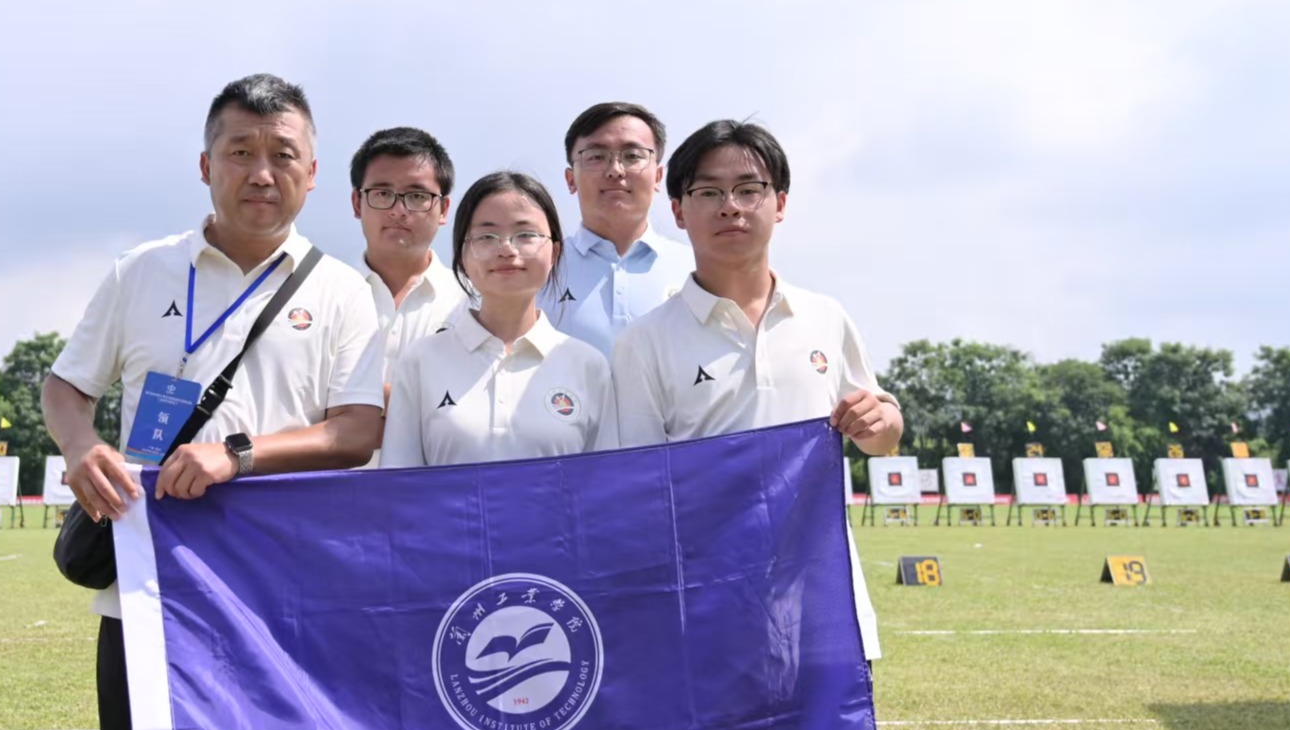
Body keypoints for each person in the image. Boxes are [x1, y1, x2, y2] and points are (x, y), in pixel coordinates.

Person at [42, 73, 385, 730]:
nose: (261, 172)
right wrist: (82, 446)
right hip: (148, 589)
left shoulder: (342, 290)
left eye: (282, 154)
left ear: (311, 171)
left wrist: (234, 456)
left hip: (279, 593)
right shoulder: (142, 271)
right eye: (239, 152)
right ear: (205, 165)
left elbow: (356, 431)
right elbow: (65, 385)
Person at [611, 119, 902, 660]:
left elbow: (881, 433)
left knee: (832, 719)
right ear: (678, 210)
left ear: (780, 203)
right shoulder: (644, 342)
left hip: (823, 597)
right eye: (708, 192)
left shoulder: (825, 316)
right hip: (706, 605)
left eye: (749, 190)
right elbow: (639, 486)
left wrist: (882, 422)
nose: (731, 207)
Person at [382, 172, 616, 467]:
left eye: (526, 235)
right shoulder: (421, 361)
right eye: (486, 237)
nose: (506, 249)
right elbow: (400, 478)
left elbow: (605, 483)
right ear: (462, 255)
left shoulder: (588, 366)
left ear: (555, 253)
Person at [545, 101, 694, 358]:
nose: (615, 170)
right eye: (596, 157)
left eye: (633, 156)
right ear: (570, 179)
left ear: (658, 177)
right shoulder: (541, 270)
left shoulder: (695, 269)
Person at [349, 127, 465, 377]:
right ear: (357, 203)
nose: (398, 210)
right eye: (382, 194)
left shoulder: (471, 303)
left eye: (416, 196)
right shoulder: (328, 295)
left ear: (444, 209)